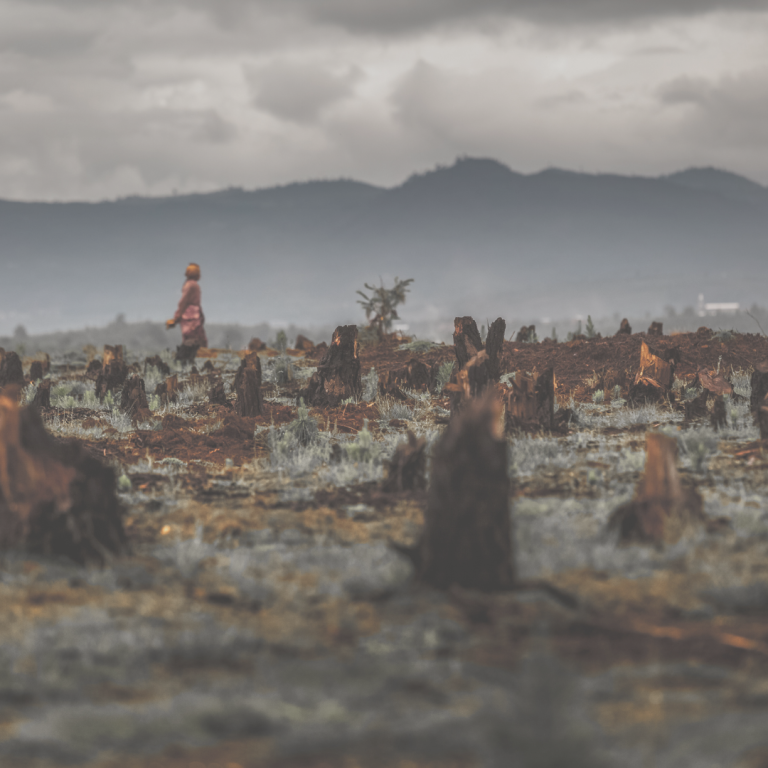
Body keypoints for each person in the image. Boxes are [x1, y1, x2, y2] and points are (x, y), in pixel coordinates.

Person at [166, 263, 207, 354]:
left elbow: (184, 302)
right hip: (191, 316)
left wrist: (176, 318)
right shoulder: (191, 285)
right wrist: (177, 317)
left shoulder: (191, 285)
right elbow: (184, 301)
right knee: (193, 339)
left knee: (195, 338)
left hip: (192, 315)